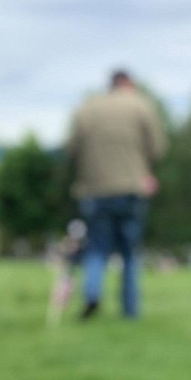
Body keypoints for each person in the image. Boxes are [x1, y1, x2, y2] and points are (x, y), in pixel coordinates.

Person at [67, 71, 165, 319]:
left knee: (96, 248)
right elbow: (158, 148)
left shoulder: (87, 108)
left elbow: (71, 149)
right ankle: (130, 310)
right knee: (129, 252)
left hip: (95, 190)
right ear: (129, 84)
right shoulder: (141, 105)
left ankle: (92, 293)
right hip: (131, 188)